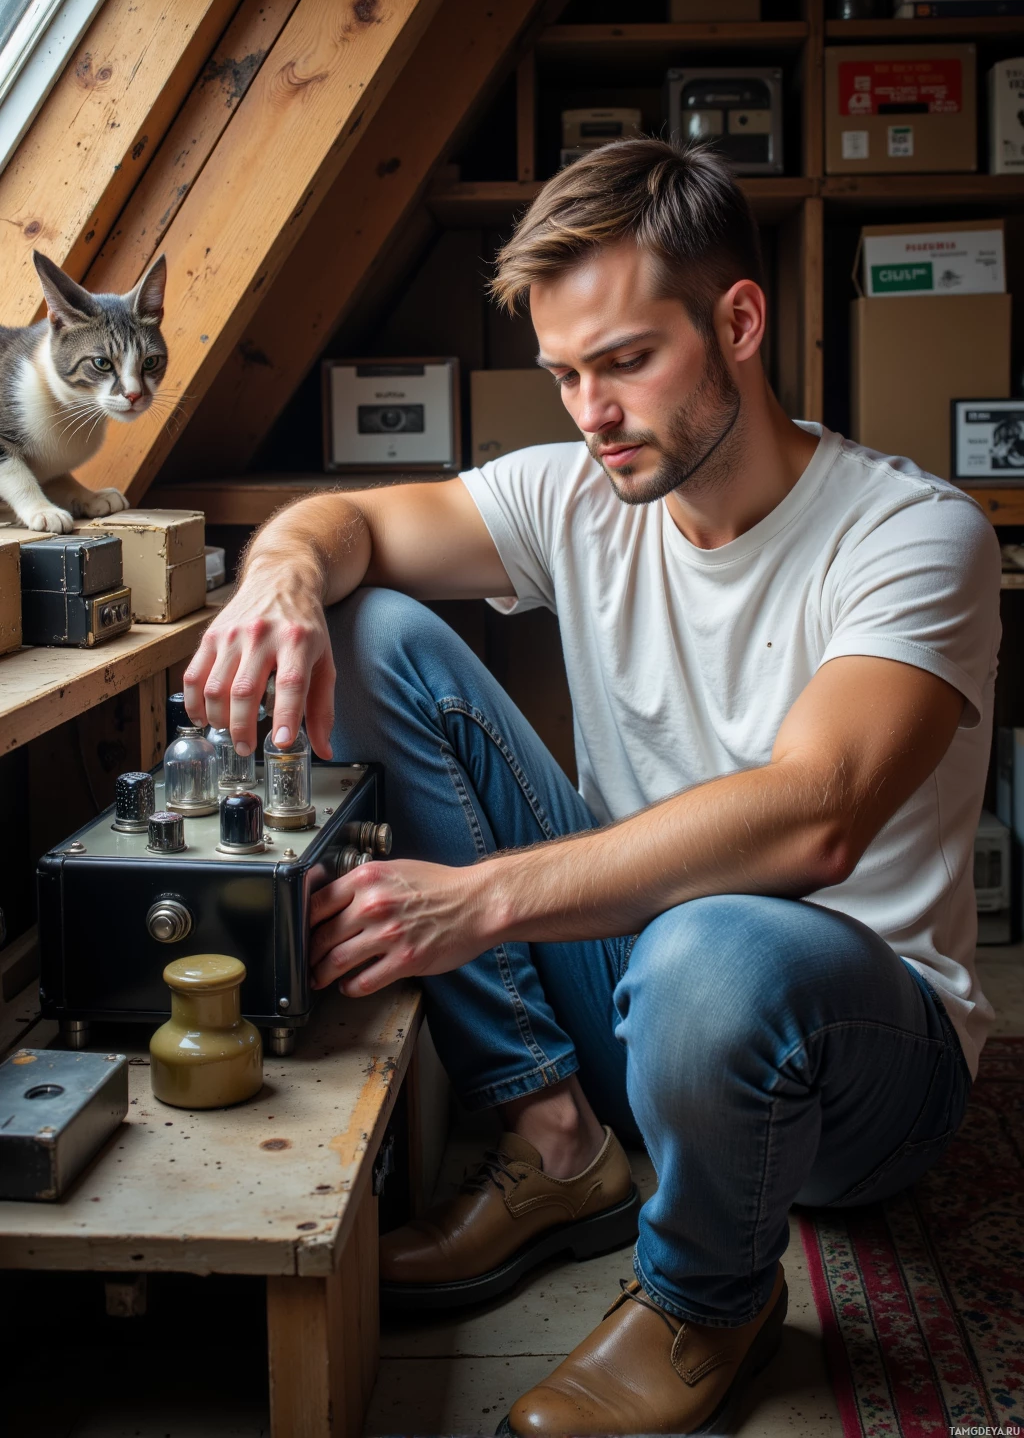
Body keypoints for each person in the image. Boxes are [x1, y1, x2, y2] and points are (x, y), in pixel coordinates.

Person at [184, 140, 999, 1436]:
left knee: (712, 947)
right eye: (566, 374)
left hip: (856, 1061)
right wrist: (279, 580)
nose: (591, 412)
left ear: (738, 321)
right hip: (644, 1004)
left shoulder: (914, 535)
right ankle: (561, 1138)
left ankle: (706, 1301)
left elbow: (819, 812)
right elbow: (345, 527)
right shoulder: (580, 493)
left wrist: (484, 902)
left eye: (626, 361)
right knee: (372, 628)